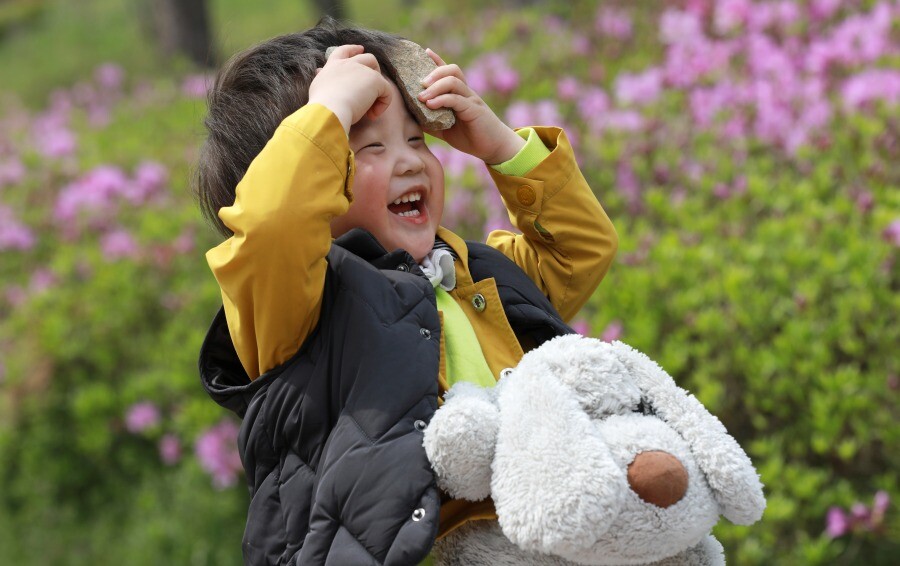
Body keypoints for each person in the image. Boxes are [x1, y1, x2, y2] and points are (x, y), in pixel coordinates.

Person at [195, 18, 617, 566]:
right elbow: (274, 226)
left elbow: (579, 251)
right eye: (368, 147)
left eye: (416, 138)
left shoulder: (471, 273)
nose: (410, 160)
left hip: (536, 530)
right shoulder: (295, 311)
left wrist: (501, 148)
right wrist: (326, 111)